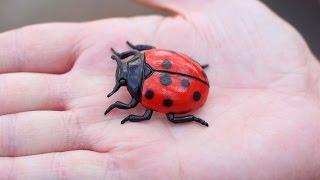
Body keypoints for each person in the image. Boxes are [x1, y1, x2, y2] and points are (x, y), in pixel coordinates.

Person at [0, 0, 319, 179]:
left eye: (122, 76)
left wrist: (125, 112)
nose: (121, 73)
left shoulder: (145, 79)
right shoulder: (149, 54)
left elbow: (140, 108)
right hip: (191, 78)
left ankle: (192, 118)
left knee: (167, 117)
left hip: (194, 84)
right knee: (163, 113)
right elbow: (149, 59)